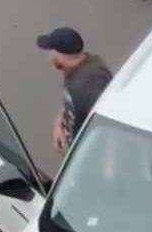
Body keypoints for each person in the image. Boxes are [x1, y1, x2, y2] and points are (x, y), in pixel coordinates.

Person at [36, 26, 113, 154]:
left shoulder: (87, 86)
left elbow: (109, 127)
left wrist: (107, 170)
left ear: (59, 55)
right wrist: (59, 123)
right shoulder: (80, 65)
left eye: (50, 51)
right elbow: (71, 99)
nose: (49, 56)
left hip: (89, 152)